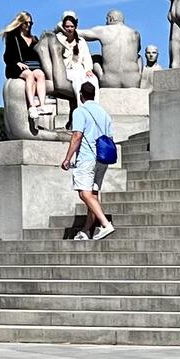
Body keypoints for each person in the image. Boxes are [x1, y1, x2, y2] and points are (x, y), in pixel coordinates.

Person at [61, 80, 116, 241]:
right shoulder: (104, 113)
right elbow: (110, 136)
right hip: (103, 158)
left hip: (87, 157)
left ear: (81, 95)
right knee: (93, 194)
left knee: (84, 193)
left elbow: (77, 136)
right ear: (94, 95)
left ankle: (105, 224)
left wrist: (68, 158)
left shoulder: (80, 111)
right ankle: (86, 230)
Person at [1, 11, 52, 120]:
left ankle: (42, 105)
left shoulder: (34, 39)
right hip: (15, 66)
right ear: (20, 23)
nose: (28, 25)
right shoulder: (12, 37)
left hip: (33, 65)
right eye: (26, 23)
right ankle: (32, 106)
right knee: (29, 75)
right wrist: (17, 62)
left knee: (41, 75)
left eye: (30, 23)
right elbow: (6, 56)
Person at [52, 11, 92, 102]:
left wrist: (88, 69)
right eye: (67, 26)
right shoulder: (58, 39)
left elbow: (87, 57)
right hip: (66, 71)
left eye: (72, 26)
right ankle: (81, 105)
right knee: (77, 80)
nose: (69, 29)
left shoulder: (81, 41)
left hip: (80, 70)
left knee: (93, 80)